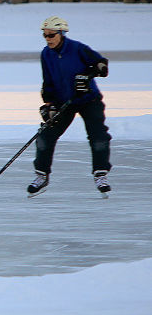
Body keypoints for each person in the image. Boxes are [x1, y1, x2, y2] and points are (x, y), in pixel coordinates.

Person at [28, 16, 112, 197]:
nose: (48, 39)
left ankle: (100, 174)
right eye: (45, 36)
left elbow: (101, 64)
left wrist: (87, 76)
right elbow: (47, 82)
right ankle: (42, 175)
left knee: (98, 136)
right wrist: (49, 105)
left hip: (89, 99)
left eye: (51, 35)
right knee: (45, 136)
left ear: (61, 34)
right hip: (63, 101)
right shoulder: (46, 54)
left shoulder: (77, 48)